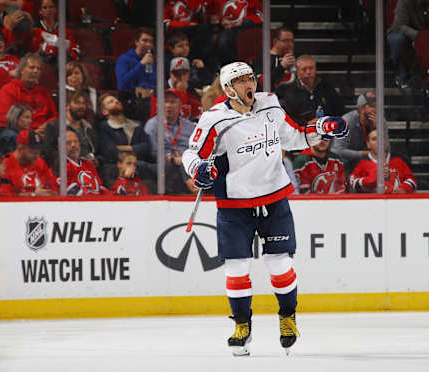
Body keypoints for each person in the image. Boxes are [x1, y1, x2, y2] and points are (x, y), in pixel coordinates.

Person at [182, 62, 348, 356]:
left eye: (251, 78)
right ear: (229, 88)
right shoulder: (214, 119)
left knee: (279, 264)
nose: (250, 84)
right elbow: (192, 153)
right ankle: (242, 325)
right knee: (237, 267)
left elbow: (294, 136)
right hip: (234, 204)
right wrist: (198, 170)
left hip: (274, 197)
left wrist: (323, 128)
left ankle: (287, 318)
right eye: (242, 80)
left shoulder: (270, 104)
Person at [145, 89, 197, 194]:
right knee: (172, 168)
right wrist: (173, 159)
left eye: (172, 102)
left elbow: (196, 148)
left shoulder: (190, 126)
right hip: (166, 165)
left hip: (187, 163)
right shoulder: (152, 125)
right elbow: (153, 152)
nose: (168, 105)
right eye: (165, 101)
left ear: (180, 105)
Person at [0, 52, 58, 133]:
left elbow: (54, 116)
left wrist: (45, 126)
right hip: (18, 133)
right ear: (21, 70)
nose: (36, 71)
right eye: (32, 68)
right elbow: (5, 118)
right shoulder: (8, 89)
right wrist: (31, 132)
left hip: (43, 132)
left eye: (38, 69)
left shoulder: (43, 92)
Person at [331, 91, 390, 175]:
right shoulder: (347, 120)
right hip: (349, 160)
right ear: (361, 109)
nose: (376, 109)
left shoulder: (381, 121)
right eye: (372, 106)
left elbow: (387, 149)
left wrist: (377, 129)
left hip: (370, 160)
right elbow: (336, 150)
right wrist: (363, 154)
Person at [277, 54, 345, 124]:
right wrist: (306, 123)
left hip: (327, 129)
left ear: (315, 69)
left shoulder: (327, 87)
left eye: (311, 68)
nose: (308, 72)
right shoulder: (289, 92)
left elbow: (340, 111)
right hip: (301, 131)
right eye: (304, 69)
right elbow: (287, 118)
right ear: (297, 72)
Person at [387, 0, 429, 89]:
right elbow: (398, 25)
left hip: (428, 36)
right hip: (408, 35)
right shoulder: (405, 2)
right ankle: (402, 76)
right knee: (396, 39)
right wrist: (418, 36)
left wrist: (427, 37)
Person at [349, 129, 417, 193]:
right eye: (374, 139)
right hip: (372, 203)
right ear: (368, 144)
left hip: (396, 202)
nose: (378, 142)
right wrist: (373, 178)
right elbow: (352, 184)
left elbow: (412, 180)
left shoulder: (398, 160)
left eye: (381, 138)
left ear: (386, 141)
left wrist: (403, 188)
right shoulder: (362, 163)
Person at [44, 91, 98, 169]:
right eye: (77, 103)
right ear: (67, 105)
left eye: (83, 103)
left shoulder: (88, 127)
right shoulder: (54, 126)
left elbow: (97, 150)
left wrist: (97, 159)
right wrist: (75, 159)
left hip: (89, 166)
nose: (81, 106)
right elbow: (49, 152)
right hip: (67, 167)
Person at [3, 129, 58, 196]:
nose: (37, 156)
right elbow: (6, 197)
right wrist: (33, 194)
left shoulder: (40, 162)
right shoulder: (4, 164)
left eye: (38, 152)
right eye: (33, 153)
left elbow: (52, 189)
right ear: (20, 148)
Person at [64, 129, 108, 196]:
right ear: (59, 147)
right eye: (68, 142)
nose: (73, 145)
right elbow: (73, 195)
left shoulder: (88, 164)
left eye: (76, 141)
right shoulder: (62, 168)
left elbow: (100, 188)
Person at [115, 27, 156, 98]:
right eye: (145, 41)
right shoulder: (124, 59)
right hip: (129, 98)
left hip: (148, 98)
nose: (148, 44)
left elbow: (154, 82)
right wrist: (141, 64)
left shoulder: (153, 61)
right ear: (136, 42)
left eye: (151, 42)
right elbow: (122, 84)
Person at [253, 26, 296, 91]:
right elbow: (261, 82)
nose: (290, 44)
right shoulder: (264, 58)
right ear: (275, 41)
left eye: (291, 41)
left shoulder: (294, 57)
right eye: (286, 41)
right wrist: (282, 66)